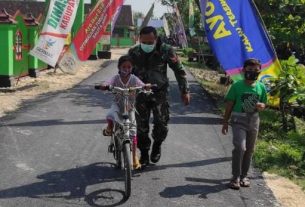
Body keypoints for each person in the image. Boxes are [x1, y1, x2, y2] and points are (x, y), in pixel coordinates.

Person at [128, 26, 191, 167]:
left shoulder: (166, 50)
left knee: (161, 124)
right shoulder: (134, 52)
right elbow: (125, 71)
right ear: (139, 39)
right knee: (140, 126)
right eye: (144, 42)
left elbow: (179, 70)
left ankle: (157, 144)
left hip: (159, 93)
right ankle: (144, 152)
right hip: (140, 93)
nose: (147, 45)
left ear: (156, 39)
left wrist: (185, 90)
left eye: (150, 42)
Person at [97, 55, 150, 169]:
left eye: (129, 67)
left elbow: (141, 84)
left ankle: (135, 157)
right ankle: (109, 128)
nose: (126, 69)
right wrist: (105, 85)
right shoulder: (116, 78)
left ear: (132, 68)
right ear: (119, 67)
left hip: (130, 107)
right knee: (111, 114)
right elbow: (108, 81)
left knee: (133, 131)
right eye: (124, 66)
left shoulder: (134, 79)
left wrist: (145, 86)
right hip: (118, 105)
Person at [221, 58, 267, 190]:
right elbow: (229, 105)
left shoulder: (261, 87)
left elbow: (264, 103)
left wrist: (261, 105)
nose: (252, 72)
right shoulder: (236, 86)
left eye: (255, 70)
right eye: (250, 70)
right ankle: (235, 177)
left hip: (253, 121)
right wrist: (225, 122)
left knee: (250, 150)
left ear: (259, 72)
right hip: (238, 120)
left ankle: (244, 176)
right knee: (240, 148)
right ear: (244, 70)